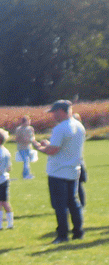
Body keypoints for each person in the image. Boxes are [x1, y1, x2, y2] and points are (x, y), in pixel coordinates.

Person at [34, 99, 85, 241]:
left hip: (58, 171)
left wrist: (39, 147)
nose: (53, 116)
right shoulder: (79, 126)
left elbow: (53, 150)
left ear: (60, 111)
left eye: (54, 112)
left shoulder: (60, 128)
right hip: (74, 169)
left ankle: (62, 235)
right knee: (73, 202)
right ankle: (78, 232)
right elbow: (63, 147)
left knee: (60, 205)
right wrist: (49, 145)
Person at [13, 115, 37, 180]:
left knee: (27, 161)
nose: (29, 122)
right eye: (28, 121)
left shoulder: (30, 128)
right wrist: (24, 140)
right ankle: (25, 175)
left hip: (28, 147)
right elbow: (17, 139)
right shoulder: (19, 129)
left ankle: (27, 174)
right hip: (21, 148)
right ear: (24, 121)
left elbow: (33, 137)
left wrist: (35, 143)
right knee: (26, 161)